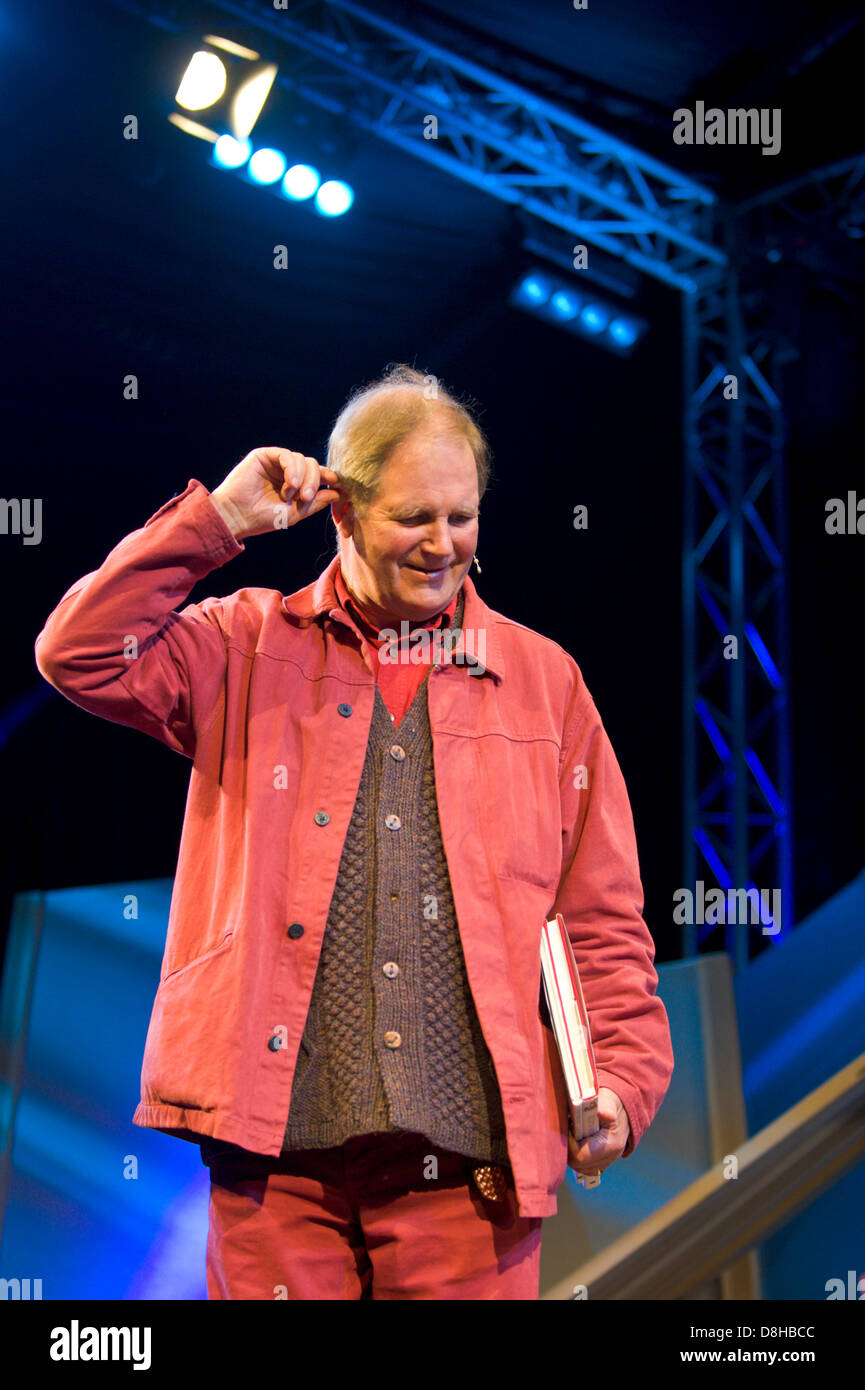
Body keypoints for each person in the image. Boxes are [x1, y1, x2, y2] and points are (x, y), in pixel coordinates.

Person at [34, 363, 673, 1300]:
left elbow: (599, 915)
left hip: (471, 1170)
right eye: (414, 517)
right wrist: (219, 521)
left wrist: (619, 1079)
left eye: (461, 517)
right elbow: (80, 652)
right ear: (341, 512)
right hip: (277, 1158)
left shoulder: (545, 682)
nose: (442, 543)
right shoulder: (245, 644)